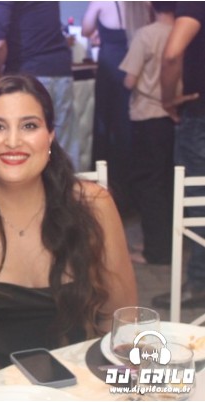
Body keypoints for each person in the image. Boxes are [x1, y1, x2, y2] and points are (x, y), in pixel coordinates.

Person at [0, 75, 137, 400]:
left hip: (80, 391)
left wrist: (118, 394)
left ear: (50, 136)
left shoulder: (94, 206)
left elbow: (122, 321)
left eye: (29, 126)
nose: (13, 141)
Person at [152, 3, 205, 308]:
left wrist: (167, 98)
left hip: (201, 115)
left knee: (198, 199)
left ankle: (200, 283)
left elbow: (172, 53)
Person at [0, 2, 77, 171]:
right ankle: (68, 187)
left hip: (28, 73)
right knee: (64, 147)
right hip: (59, 68)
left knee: (25, 148)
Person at [118, 2, 177, 265]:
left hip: (147, 115)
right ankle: (165, 242)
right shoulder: (184, 31)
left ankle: (156, 251)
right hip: (176, 116)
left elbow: (130, 79)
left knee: (148, 184)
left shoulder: (147, 34)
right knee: (167, 181)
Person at [82, 1, 153, 214]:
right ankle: (133, 197)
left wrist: (97, 33)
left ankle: (108, 196)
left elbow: (85, 30)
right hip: (136, 70)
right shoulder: (143, 4)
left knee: (108, 131)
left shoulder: (101, 2)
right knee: (130, 130)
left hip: (110, 70)